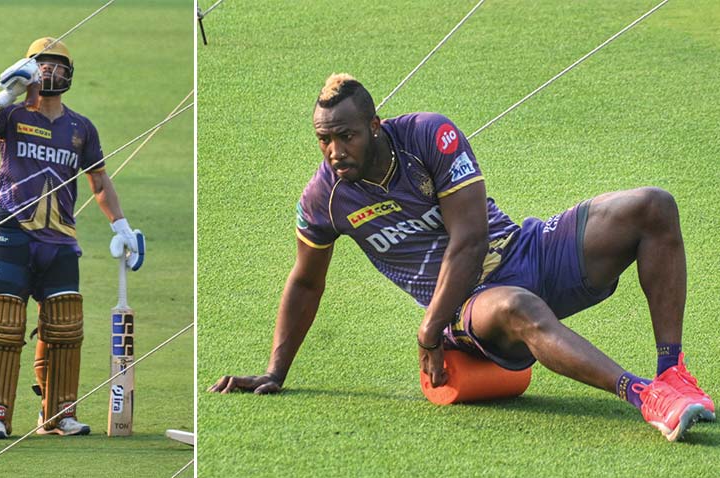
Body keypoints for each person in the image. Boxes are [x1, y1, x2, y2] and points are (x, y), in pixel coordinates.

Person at [210, 73, 714, 442]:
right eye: (324, 139)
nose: (335, 150)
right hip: (467, 310)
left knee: (653, 205)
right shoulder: (325, 200)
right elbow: (305, 283)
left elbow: (471, 241)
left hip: (526, 251)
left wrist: (423, 333)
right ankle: (647, 395)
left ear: (374, 126)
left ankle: (672, 372)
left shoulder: (431, 137)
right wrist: (276, 370)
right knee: (516, 305)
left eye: (346, 135)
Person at [0, 37, 141, 440]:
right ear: (28, 68)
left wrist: (120, 226)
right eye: (43, 64)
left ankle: (59, 414)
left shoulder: (81, 128)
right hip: (12, 232)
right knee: (3, 323)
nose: (51, 71)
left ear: (70, 73)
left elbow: (98, 181)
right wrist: (7, 94)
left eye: (58, 65)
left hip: (59, 239)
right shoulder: (11, 115)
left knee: (64, 326)